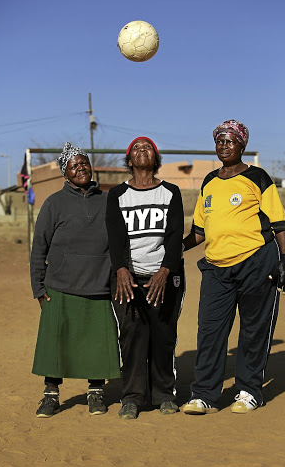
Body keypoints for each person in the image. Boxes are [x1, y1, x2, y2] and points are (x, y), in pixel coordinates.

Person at [182, 120, 285, 415]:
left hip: (256, 261)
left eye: (230, 141)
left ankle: (248, 391)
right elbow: (199, 231)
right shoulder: (208, 181)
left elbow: (279, 222)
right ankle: (204, 394)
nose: (223, 146)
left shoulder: (257, 177)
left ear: (241, 145)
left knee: (253, 330)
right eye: (219, 141)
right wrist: (175, 248)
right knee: (210, 330)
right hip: (216, 268)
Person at [31, 142, 120, 418]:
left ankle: (95, 393)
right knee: (55, 344)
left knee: (97, 344)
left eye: (84, 163)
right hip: (60, 287)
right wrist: (38, 287)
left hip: (98, 286)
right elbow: (39, 249)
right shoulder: (53, 204)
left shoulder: (107, 201)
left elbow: (119, 242)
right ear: (65, 173)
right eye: (74, 165)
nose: (80, 168)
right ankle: (51, 395)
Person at [106, 137, 185, 419]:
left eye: (147, 147)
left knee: (163, 335)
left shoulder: (171, 192)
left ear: (156, 158)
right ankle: (132, 397)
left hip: (164, 276)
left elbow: (175, 235)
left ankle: (164, 394)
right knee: (131, 336)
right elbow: (115, 237)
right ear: (129, 161)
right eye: (136, 148)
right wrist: (122, 269)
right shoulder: (117, 194)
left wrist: (165, 270)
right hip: (129, 276)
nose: (142, 151)